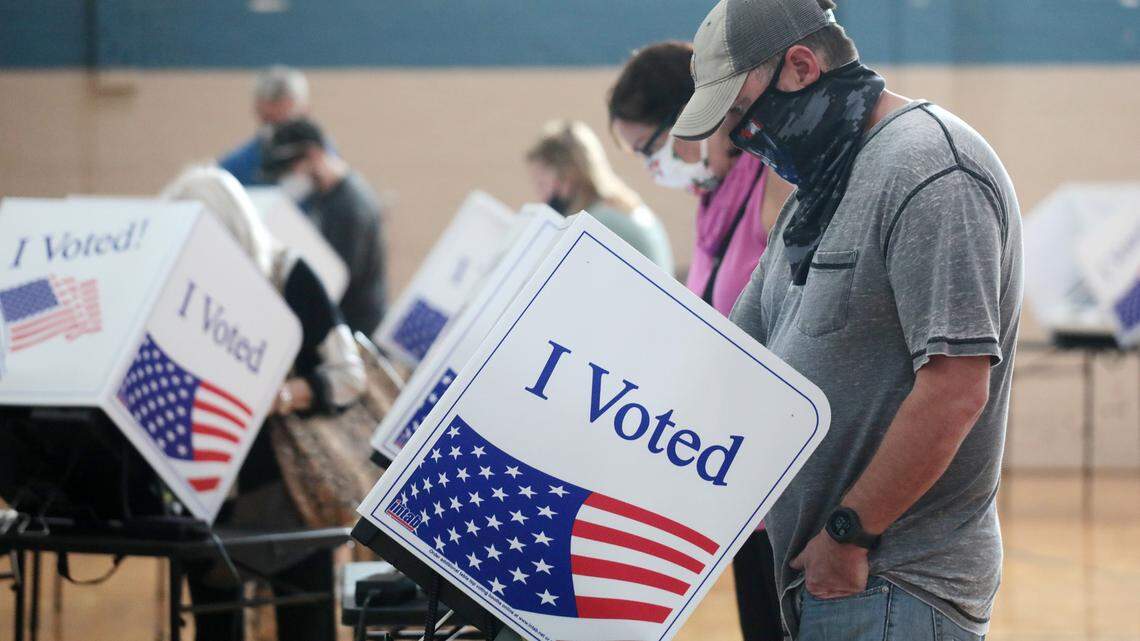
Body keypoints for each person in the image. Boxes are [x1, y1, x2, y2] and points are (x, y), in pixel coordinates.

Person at [673, 1, 1023, 639]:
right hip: (830, 585)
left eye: (740, 113)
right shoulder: (819, 192)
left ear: (801, 66)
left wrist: (849, 534)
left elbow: (954, 387)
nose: (739, 135)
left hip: (892, 585)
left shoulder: (933, 170)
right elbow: (734, 354)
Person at [607, 40, 792, 641]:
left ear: (696, 116)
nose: (653, 167)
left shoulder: (772, 183)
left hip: (790, 485)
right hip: (743, 486)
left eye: (651, 149)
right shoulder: (711, 196)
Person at [163, 166, 367, 641]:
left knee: (306, 626)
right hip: (211, 491)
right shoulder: (183, 289)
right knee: (216, 629)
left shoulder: (286, 274)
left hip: (290, 492)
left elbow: (348, 377)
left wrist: (281, 395)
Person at [262, 117, 388, 335]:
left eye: (291, 168)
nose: (289, 177)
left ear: (313, 154)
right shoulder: (327, 196)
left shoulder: (350, 206)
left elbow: (336, 281)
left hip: (356, 329)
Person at [526, 120, 675, 274]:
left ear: (567, 177)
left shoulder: (598, 223)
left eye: (541, 184)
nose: (541, 197)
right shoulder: (620, 208)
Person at [219, 66, 311, 186]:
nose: (278, 131)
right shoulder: (240, 164)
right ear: (258, 111)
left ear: (305, 111)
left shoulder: (321, 157)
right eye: (269, 120)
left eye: (285, 122)